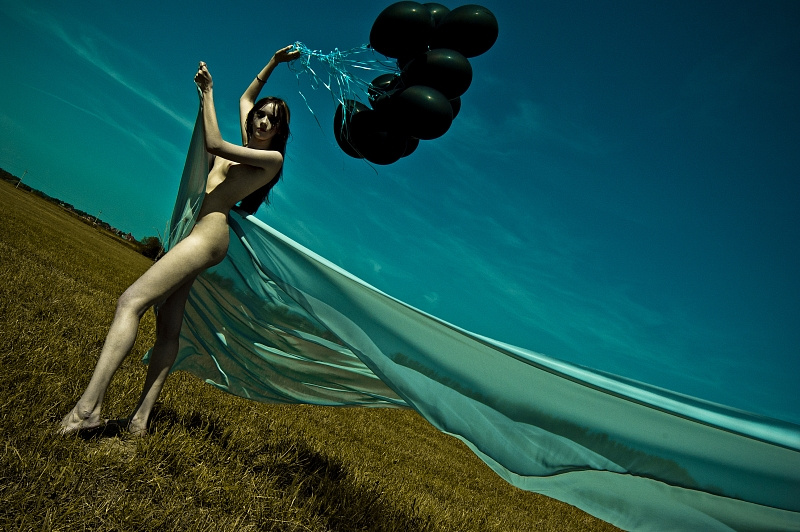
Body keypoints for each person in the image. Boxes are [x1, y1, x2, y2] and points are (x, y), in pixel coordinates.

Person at [59, 45, 301, 436]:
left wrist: (207, 94)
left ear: (279, 132)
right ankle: (139, 423)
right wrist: (274, 61)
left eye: (272, 121)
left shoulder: (271, 161)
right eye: (261, 115)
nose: (262, 121)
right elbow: (246, 97)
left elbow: (214, 145)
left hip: (209, 234)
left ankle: (87, 410)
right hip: (196, 232)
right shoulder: (247, 142)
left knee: (130, 302)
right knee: (168, 327)